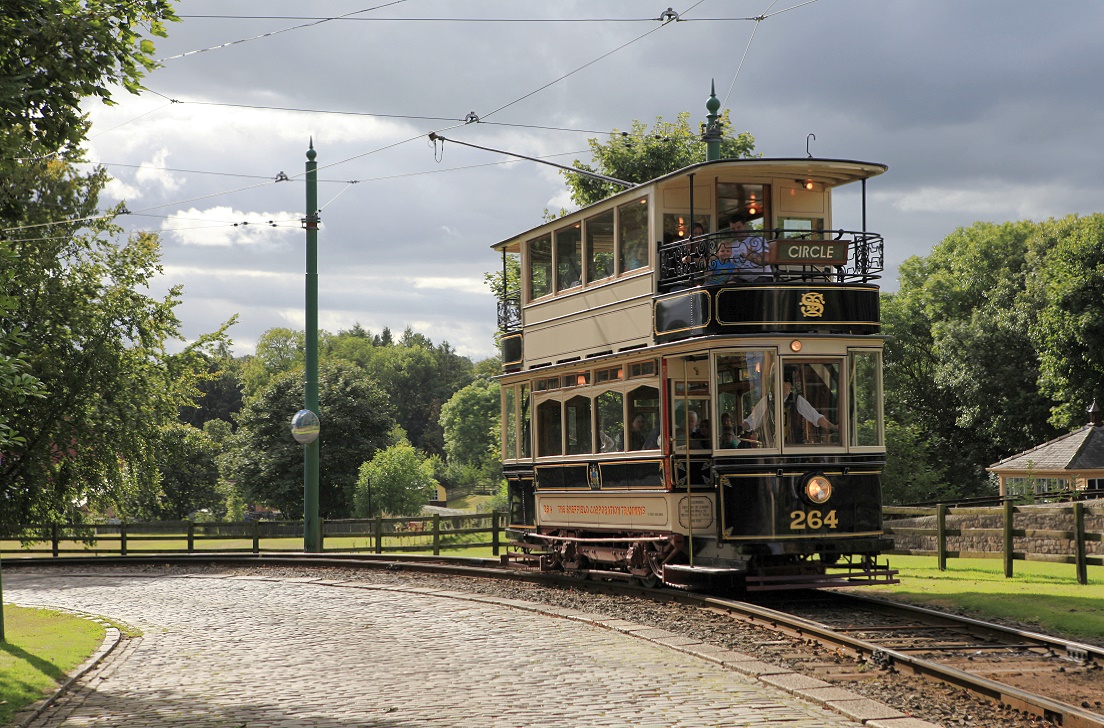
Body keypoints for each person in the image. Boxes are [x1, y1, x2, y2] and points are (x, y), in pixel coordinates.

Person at [742, 377, 837, 443]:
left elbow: (816, 417)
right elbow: (751, 421)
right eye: (778, 384)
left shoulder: (797, 400)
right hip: (772, 448)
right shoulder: (766, 401)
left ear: (789, 385)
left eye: (786, 384)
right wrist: (739, 429)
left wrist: (833, 427)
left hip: (793, 447)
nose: (784, 387)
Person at [726, 216, 771, 281]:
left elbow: (766, 260)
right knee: (730, 286)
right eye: (733, 229)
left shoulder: (758, 240)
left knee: (754, 287)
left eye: (739, 227)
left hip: (761, 276)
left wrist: (751, 258)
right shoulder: (732, 245)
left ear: (745, 226)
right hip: (741, 278)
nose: (736, 231)